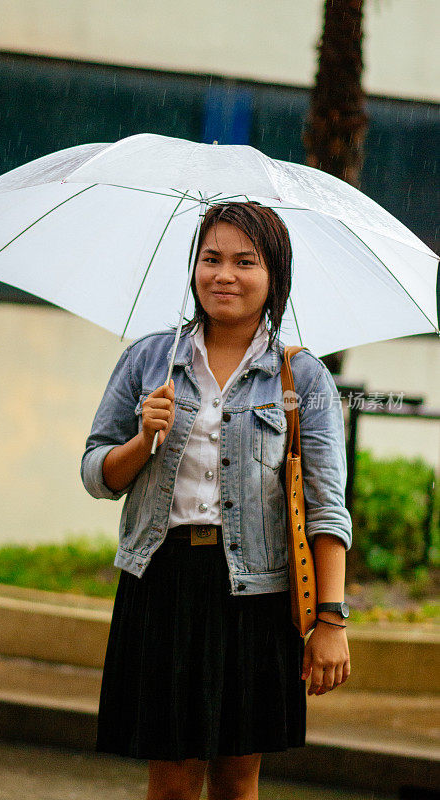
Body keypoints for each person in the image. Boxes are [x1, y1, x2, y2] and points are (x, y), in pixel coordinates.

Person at [81, 201, 352, 800]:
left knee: (236, 779)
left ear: (273, 277)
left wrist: (330, 620)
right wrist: (142, 437)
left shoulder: (301, 378)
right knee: (171, 778)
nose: (224, 274)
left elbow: (326, 506)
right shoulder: (150, 358)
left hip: (257, 594)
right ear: (193, 268)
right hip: (163, 583)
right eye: (211, 259)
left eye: (244, 261)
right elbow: (96, 474)